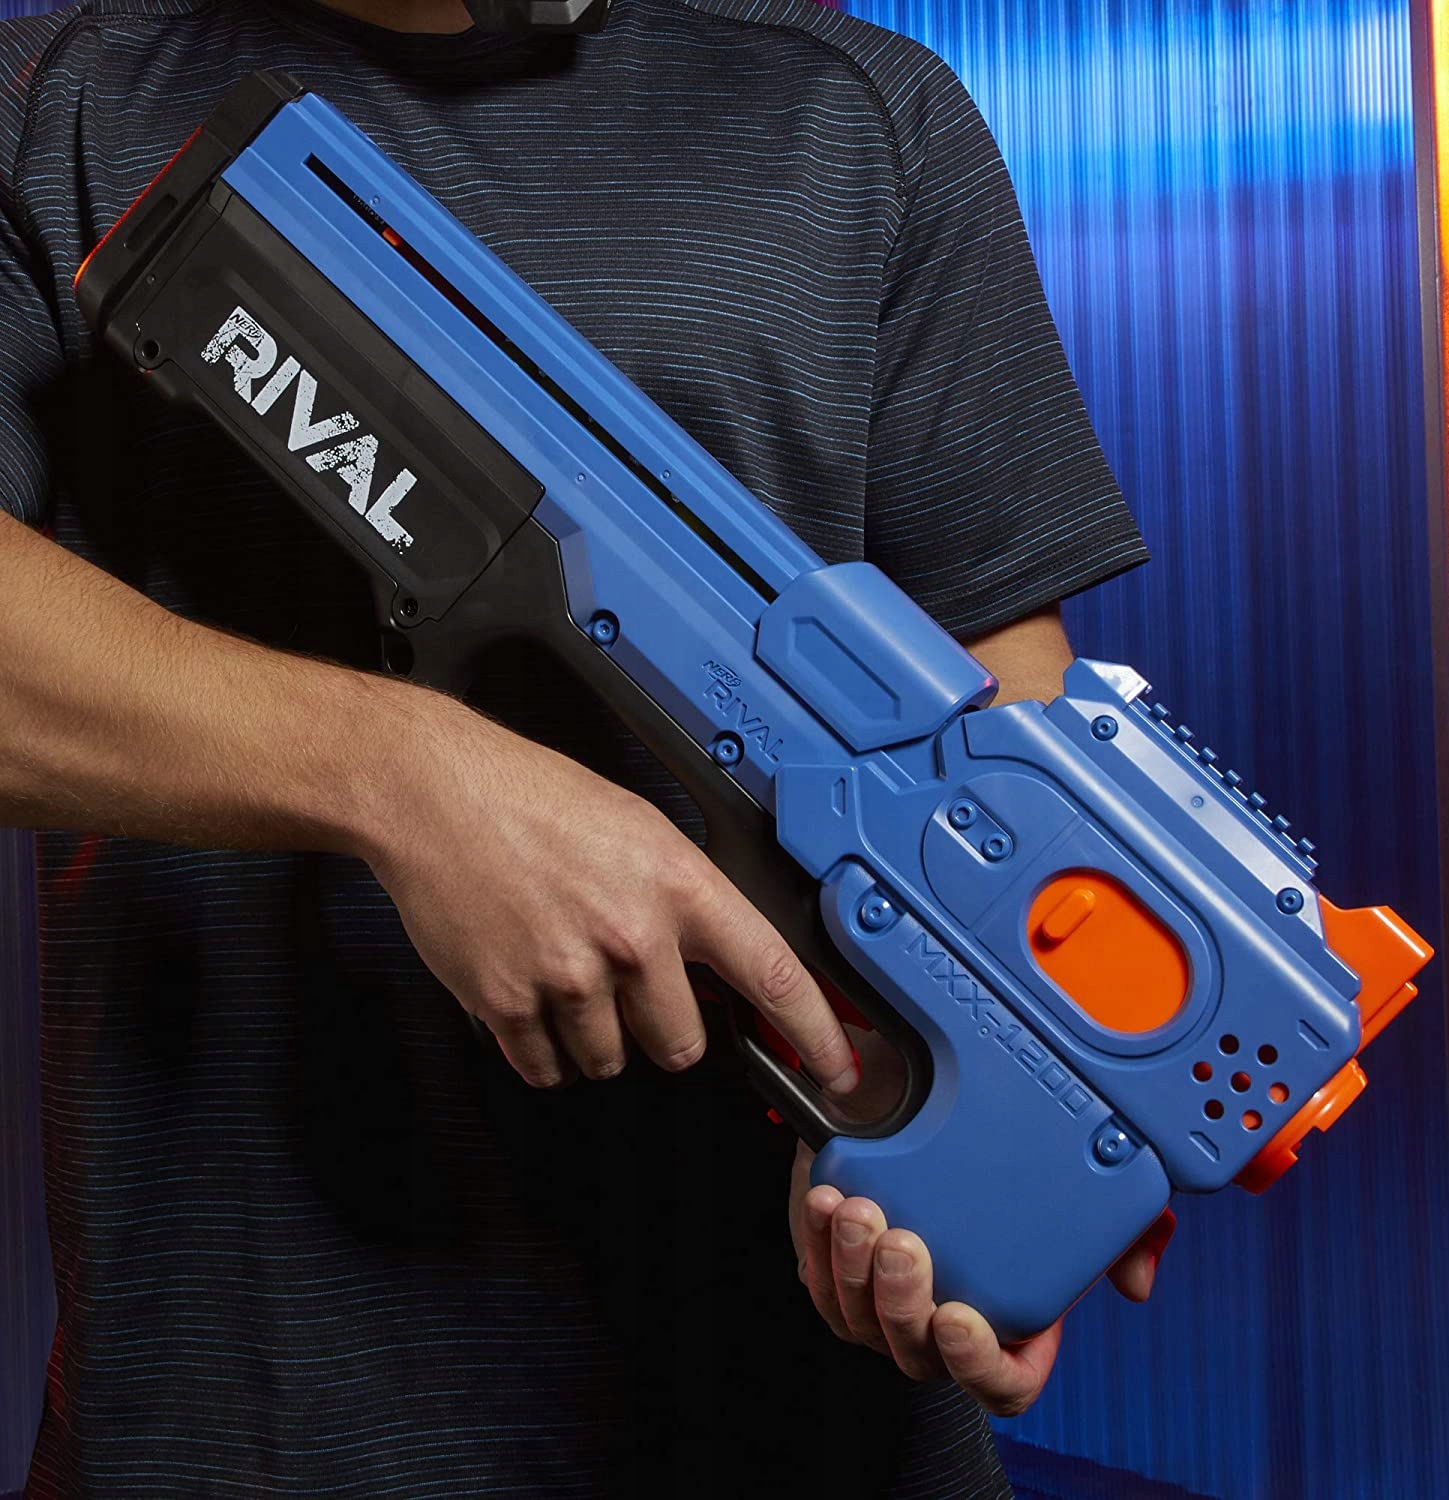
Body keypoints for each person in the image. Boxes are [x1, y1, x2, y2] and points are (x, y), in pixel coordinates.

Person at [0, 0, 1173, 1494]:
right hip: (250, 1409)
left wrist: (979, 1119)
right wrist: (403, 781)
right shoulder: (56, 99)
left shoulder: (866, 112)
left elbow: (998, 730)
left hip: (795, 1427)